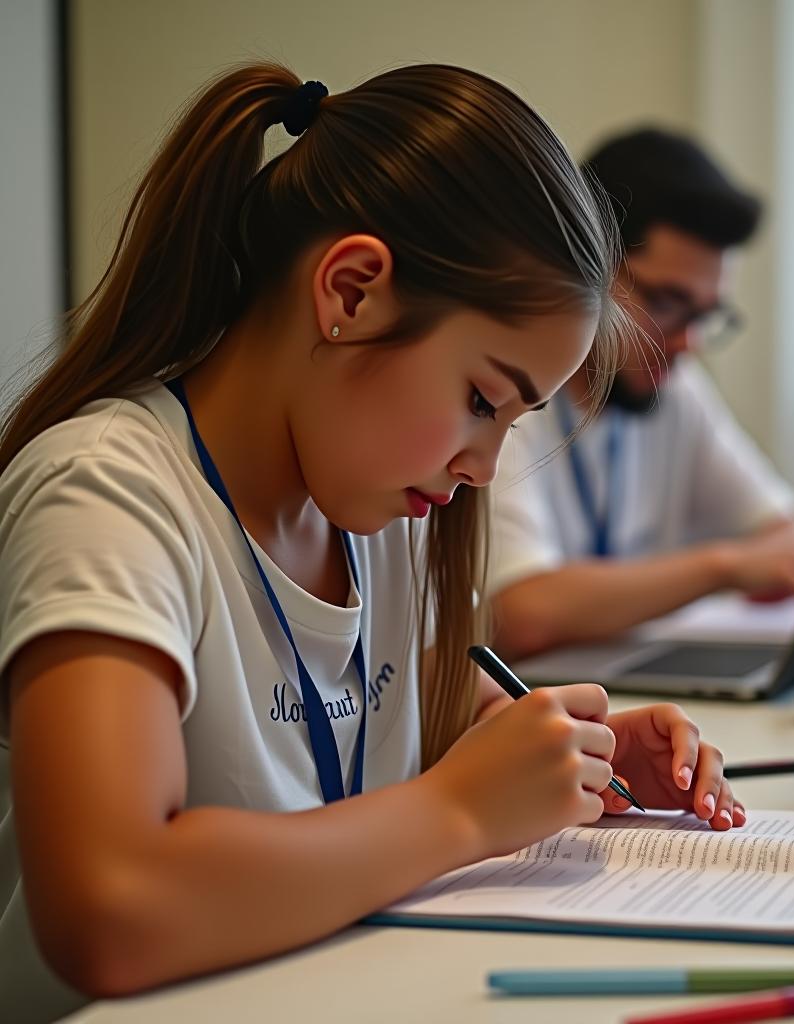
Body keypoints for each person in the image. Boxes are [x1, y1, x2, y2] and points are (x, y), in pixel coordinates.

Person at [0, 66, 744, 1022]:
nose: (482, 467)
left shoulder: (370, 505)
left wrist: (570, 749)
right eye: (481, 399)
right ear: (351, 291)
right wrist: (463, 810)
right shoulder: (109, 494)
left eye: (512, 422)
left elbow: (412, 712)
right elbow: (109, 909)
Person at [487, 128, 794, 660]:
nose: (687, 342)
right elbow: (522, 612)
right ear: (584, 265)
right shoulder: (505, 396)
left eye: (705, 315)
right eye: (669, 302)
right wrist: (726, 567)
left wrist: (763, 567)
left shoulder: (674, 383)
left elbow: (791, 542)